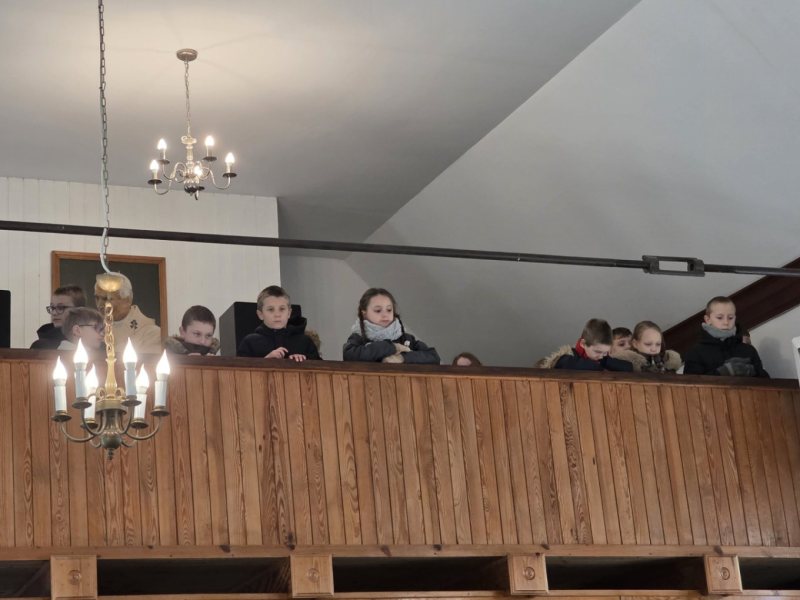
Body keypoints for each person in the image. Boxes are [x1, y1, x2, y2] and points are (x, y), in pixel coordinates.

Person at [343, 288, 440, 364]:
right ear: (364, 313)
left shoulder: (406, 338)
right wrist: (393, 347)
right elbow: (349, 355)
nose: (385, 315)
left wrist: (402, 358)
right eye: (378, 310)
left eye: (389, 310)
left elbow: (433, 357)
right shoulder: (358, 338)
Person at [683, 296, 768, 377]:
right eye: (720, 318)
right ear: (708, 320)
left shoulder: (749, 350)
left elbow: (766, 382)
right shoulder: (696, 352)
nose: (726, 322)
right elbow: (690, 384)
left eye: (730, 318)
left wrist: (754, 372)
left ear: (735, 318)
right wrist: (722, 372)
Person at [237, 285, 320, 361]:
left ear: (289, 313)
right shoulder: (250, 342)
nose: (277, 315)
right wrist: (266, 360)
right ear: (260, 314)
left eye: (282, 309)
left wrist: (304, 361)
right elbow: (240, 370)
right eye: (271, 309)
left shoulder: (305, 341)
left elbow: (320, 367)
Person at [94, 273, 162, 355]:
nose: (99, 305)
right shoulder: (91, 327)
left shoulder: (150, 333)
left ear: (127, 300)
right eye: (97, 298)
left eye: (106, 299)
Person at [539, 318, 633, 371]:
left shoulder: (601, 358)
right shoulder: (567, 357)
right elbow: (564, 362)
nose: (601, 356)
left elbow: (629, 367)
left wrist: (605, 361)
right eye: (597, 351)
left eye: (605, 352)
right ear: (583, 344)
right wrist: (600, 366)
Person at [30, 284, 86, 349]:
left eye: (60, 308)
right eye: (52, 307)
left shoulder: (91, 341)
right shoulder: (40, 346)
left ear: (79, 311)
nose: (54, 313)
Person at [614, 321, 682, 373]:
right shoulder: (624, 365)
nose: (654, 349)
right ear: (635, 344)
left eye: (658, 344)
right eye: (648, 344)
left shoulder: (667, 363)